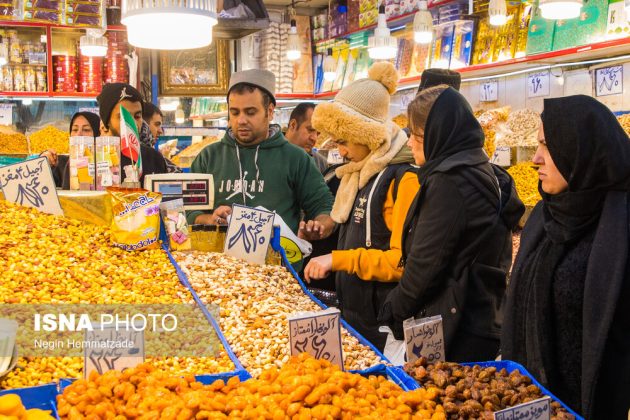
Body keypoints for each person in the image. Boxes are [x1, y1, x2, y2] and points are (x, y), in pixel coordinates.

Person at [502, 96, 630, 419]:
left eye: (547, 145)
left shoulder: (620, 223)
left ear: (578, 149)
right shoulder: (545, 216)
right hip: (531, 403)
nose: (535, 159)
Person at [378, 85, 524, 362]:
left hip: (456, 326)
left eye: (417, 135)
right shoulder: (482, 171)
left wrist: (392, 311)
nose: (409, 143)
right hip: (482, 316)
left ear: (437, 135)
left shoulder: (450, 183)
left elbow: (426, 266)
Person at [302, 62, 419, 351]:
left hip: (383, 323)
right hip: (355, 314)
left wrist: (336, 260)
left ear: (367, 133)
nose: (339, 151)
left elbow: (401, 263)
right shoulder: (358, 173)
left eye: (344, 141)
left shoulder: (403, 178)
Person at [187, 69, 335, 242]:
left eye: (250, 112)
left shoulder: (296, 159)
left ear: (270, 111)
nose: (241, 120)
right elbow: (187, 210)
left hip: (277, 265)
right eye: (234, 112)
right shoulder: (208, 157)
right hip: (216, 265)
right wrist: (209, 219)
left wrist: (319, 226)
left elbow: (324, 207)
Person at [96, 83, 168, 185]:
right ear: (106, 121)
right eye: (123, 117)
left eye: (137, 116)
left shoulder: (154, 158)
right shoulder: (91, 159)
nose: (132, 123)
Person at [41, 111, 101, 189]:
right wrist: (44, 163)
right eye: (75, 129)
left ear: (98, 134)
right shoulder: (61, 162)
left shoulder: (105, 165)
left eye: (86, 130)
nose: (78, 134)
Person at [285, 102, 328, 173]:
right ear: (293, 125)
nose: (314, 138)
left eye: (318, 133)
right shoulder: (270, 156)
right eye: (310, 130)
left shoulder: (320, 162)